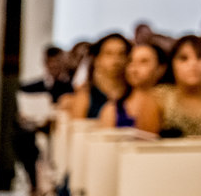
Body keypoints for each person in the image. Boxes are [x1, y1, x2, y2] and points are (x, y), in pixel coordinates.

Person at [13, 45, 73, 195]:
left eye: (57, 61)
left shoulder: (70, 87)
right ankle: (34, 183)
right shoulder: (30, 86)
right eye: (50, 62)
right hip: (34, 129)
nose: (53, 65)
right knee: (21, 137)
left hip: (60, 128)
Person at [153, 35, 201, 138]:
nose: (193, 64)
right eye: (183, 58)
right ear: (172, 63)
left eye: (200, 56)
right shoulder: (159, 99)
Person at [98, 41, 166, 133]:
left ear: (160, 69)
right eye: (130, 61)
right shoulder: (111, 110)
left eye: (143, 61)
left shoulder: (169, 106)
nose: (134, 67)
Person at [68, 32, 129, 119]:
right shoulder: (85, 97)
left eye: (122, 53)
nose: (116, 60)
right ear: (97, 59)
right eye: (109, 54)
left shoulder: (133, 95)